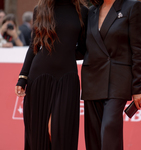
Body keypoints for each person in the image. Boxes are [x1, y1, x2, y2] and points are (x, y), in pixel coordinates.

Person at [15, 0, 88, 149]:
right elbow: (34, 45)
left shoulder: (82, 11)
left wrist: (64, 53)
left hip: (67, 79)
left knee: (59, 132)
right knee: (40, 135)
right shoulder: (40, 9)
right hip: (40, 77)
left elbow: (83, 48)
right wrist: (22, 77)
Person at [81, 0, 141, 150]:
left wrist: (138, 86)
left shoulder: (132, 6)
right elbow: (84, 47)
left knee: (109, 128)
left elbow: (138, 49)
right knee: (94, 137)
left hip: (118, 80)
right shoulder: (91, 11)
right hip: (92, 79)